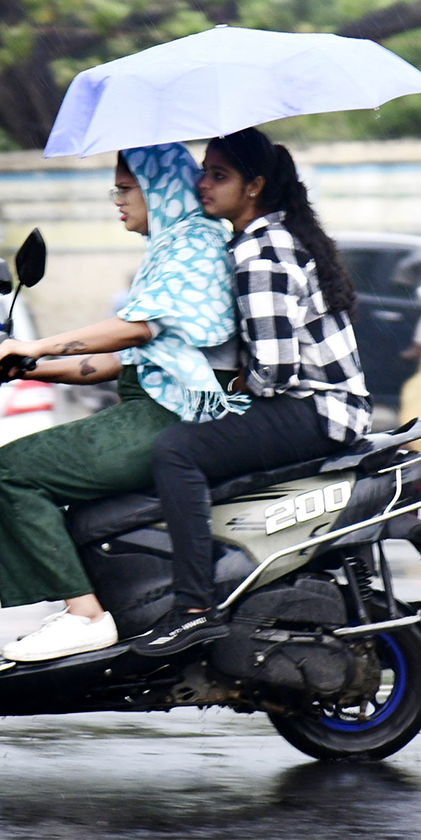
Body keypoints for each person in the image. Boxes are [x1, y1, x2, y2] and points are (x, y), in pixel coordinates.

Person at [0, 142, 244, 663]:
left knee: (11, 471)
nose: (117, 201)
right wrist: (28, 369)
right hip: (149, 404)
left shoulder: (196, 247)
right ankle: (106, 602)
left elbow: (135, 331)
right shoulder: (171, 248)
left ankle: (85, 614)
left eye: (125, 189)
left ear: (160, 190)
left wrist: (38, 344)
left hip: (168, 417)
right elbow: (121, 361)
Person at [132, 127, 372, 657]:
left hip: (318, 409)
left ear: (254, 186)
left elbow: (277, 370)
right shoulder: (266, 238)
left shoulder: (261, 252)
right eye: (203, 172)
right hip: (326, 404)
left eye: (220, 176)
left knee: (178, 451)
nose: (203, 185)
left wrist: (239, 386)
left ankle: (194, 609)